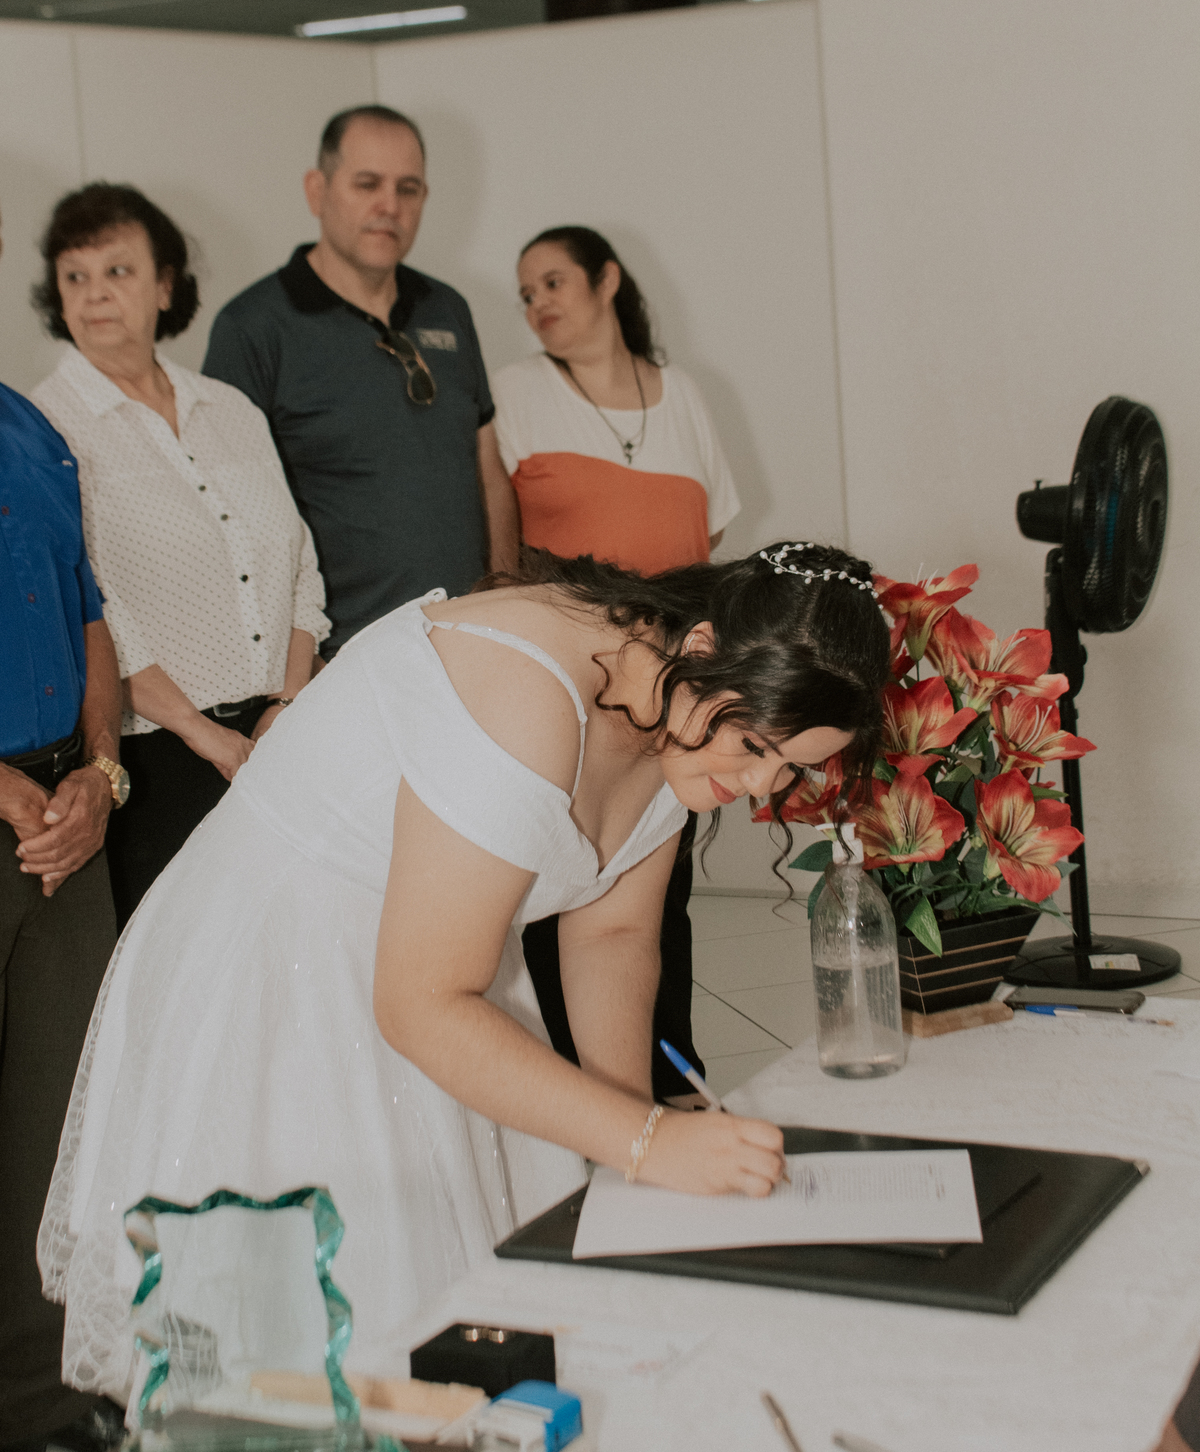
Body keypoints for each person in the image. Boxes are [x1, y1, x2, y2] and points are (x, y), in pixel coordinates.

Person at [39, 543, 889, 1404]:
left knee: (460, 1332)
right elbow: (418, 1006)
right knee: (313, 1353)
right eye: (754, 746)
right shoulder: (528, 687)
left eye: (791, 767)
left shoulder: (679, 699)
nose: (760, 785)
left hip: (449, 965)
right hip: (286, 975)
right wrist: (648, 1140)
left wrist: (629, 1143)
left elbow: (614, 934)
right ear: (703, 646)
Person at [31, 183, 329, 931]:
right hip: (157, 757)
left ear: (165, 285)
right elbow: (92, 604)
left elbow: (298, 563)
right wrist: (206, 736)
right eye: (75, 276)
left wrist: (287, 709)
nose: (95, 293)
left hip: (281, 736)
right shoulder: (46, 425)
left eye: (118, 270)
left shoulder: (231, 408)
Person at [495, 226, 741, 1102]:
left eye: (554, 282)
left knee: (659, 888)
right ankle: (574, 1085)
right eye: (526, 293)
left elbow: (709, 529)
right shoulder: (515, 392)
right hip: (570, 688)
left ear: (607, 281)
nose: (538, 304)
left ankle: (669, 1075)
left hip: (676, 685)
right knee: (557, 883)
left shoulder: (684, 395)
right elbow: (497, 537)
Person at [202, 104, 519, 655]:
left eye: (408, 189)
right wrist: (295, 670)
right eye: (367, 184)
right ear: (317, 190)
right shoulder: (253, 327)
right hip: (340, 657)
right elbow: (227, 518)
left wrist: (508, 609)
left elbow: (488, 474)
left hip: (469, 642)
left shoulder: (448, 309)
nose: (389, 206)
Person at [0, 207, 125, 1452]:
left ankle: (42, 1410)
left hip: (62, 820)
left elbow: (89, 614)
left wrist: (98, 774)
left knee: (54, 1132)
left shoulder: (27, 425)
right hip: (6, 802)